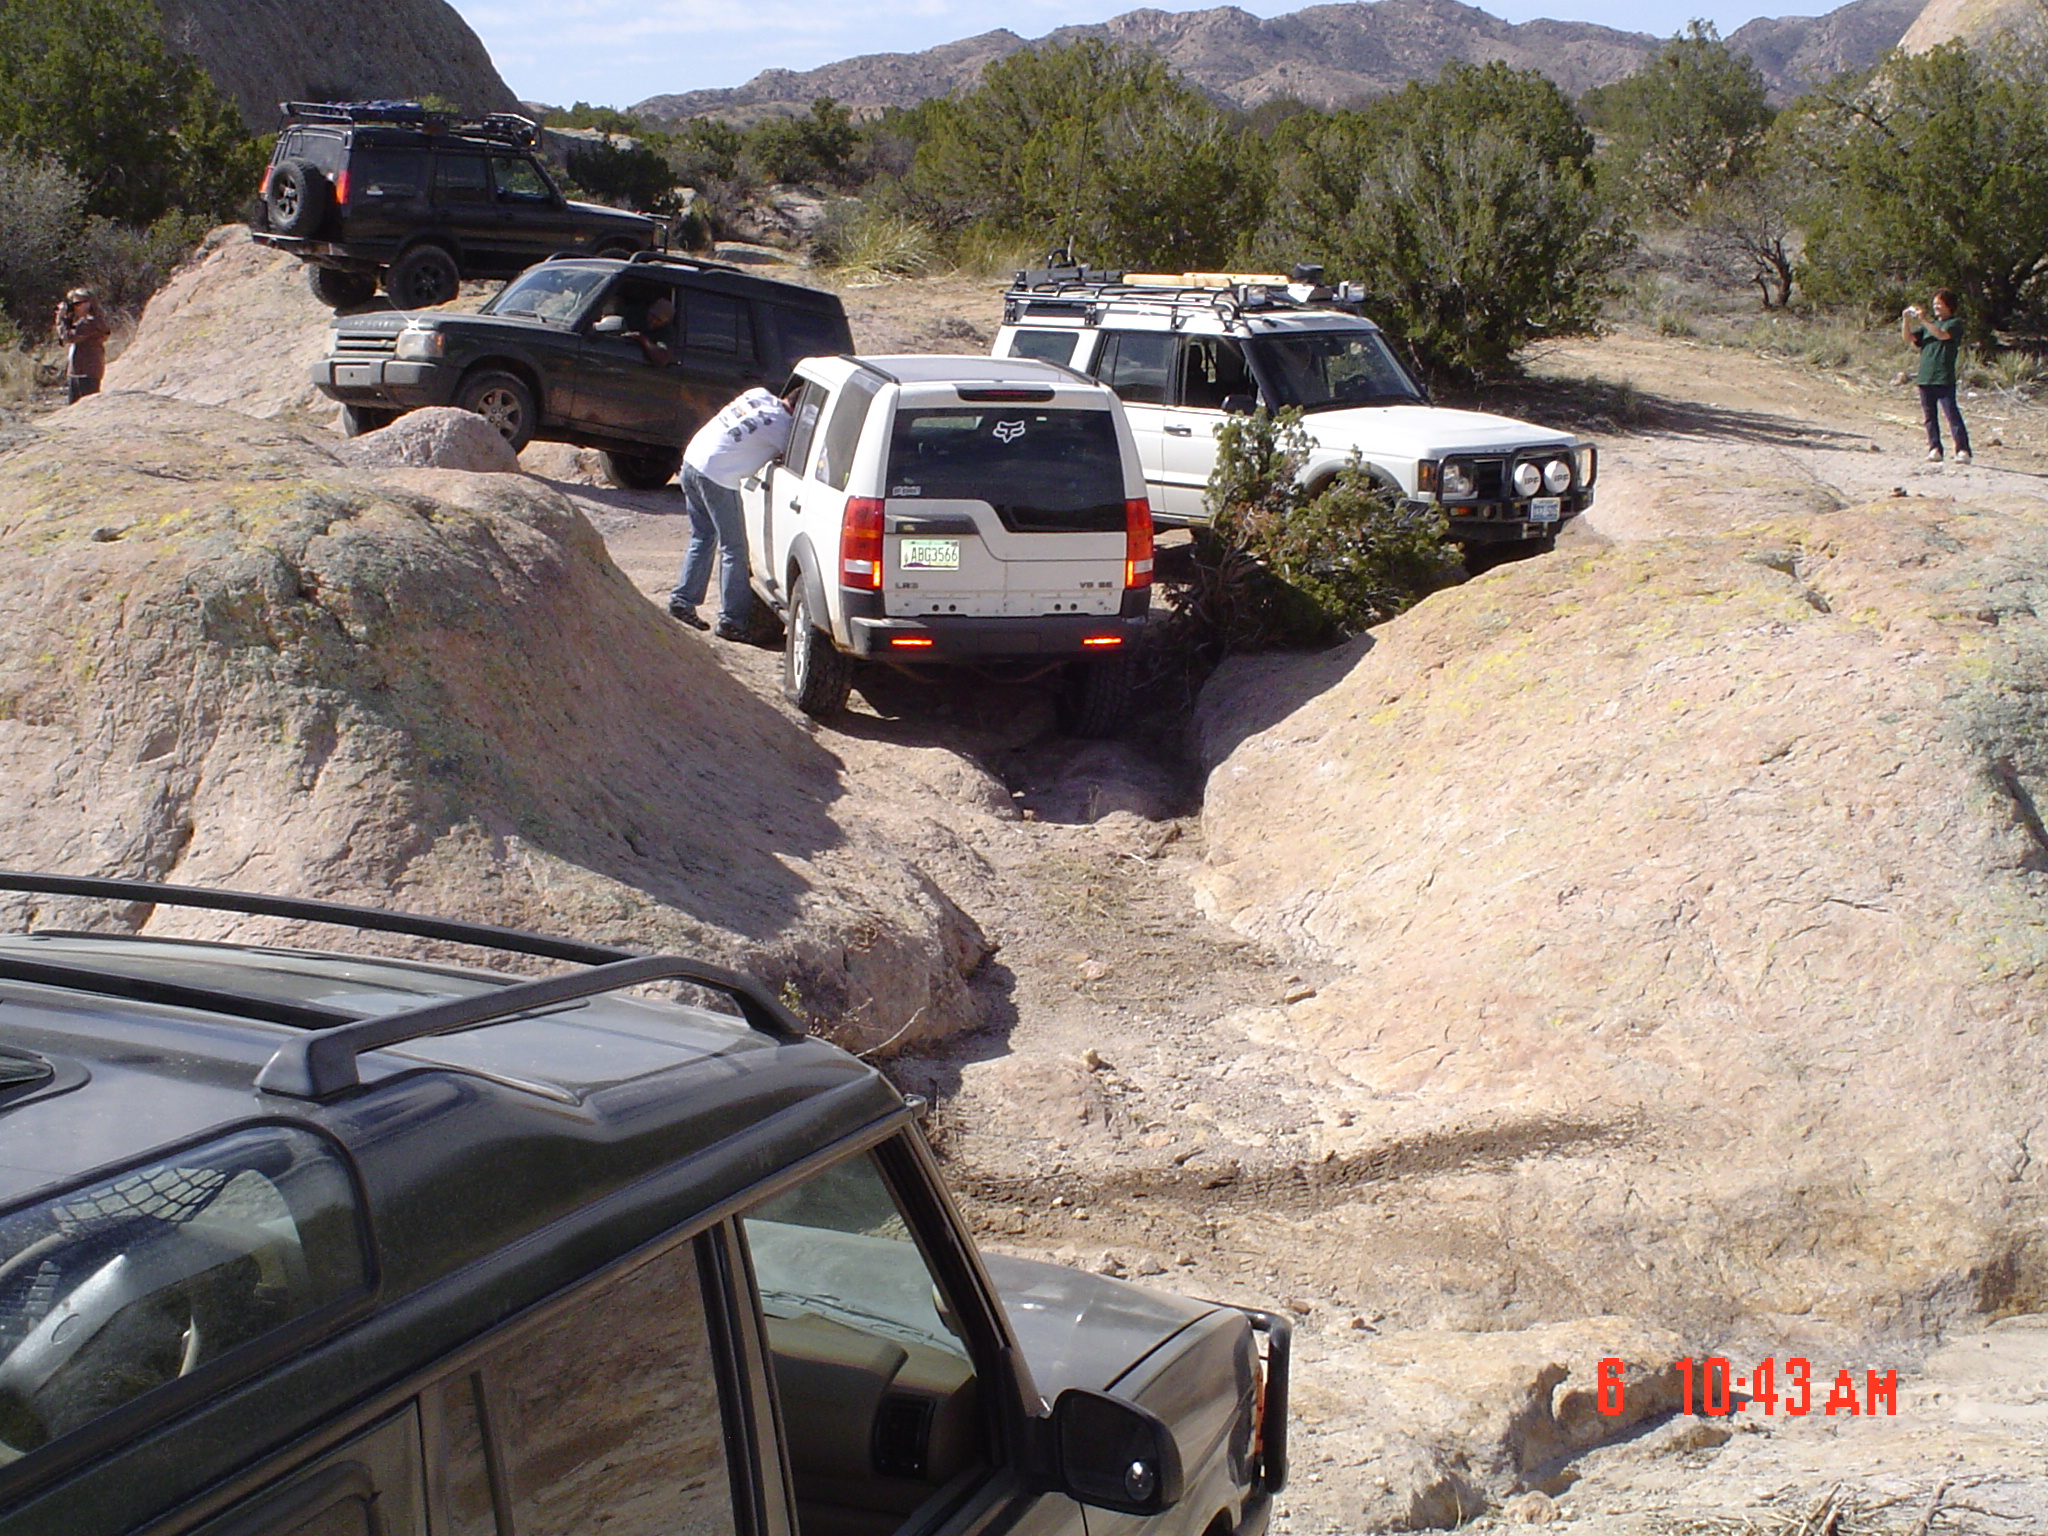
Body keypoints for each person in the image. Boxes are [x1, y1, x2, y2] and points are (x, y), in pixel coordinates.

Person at [668, 386, 793, 639]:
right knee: (734, 549)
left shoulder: (757, 393)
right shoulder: (785, 428)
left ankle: (683, 600)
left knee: (703, 536)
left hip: (692, 461)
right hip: (717, 478)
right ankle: (732, 621)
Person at [1902, 288, 1971, 464]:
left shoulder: (1954, 324)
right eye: (1934, 304)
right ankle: (1935, 448)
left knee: (1951, 414)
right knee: (1929, 417)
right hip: (1925, 377)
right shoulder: (1928, 327)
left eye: (1939, 304)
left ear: (1948, 305)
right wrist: (1906, 320)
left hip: (1943, 377)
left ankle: (1963, 450)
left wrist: (1923, 319)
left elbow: (1942, 334)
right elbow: (1908, 338)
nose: (1935, 307)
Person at [54, 288, 110, 405]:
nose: (75, 307)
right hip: (78, 371)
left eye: (78, 304)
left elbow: (68, 337)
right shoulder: (84, 321)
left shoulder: (91, 322)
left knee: (87, 406)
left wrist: (60, 319)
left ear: (89, 303)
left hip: (86, 372)